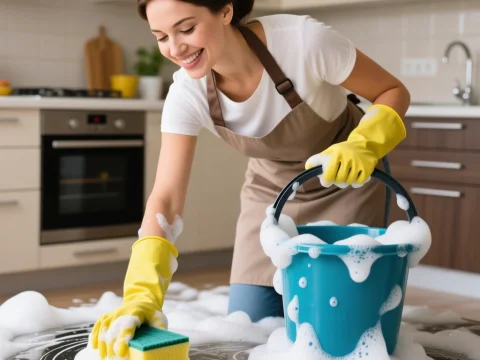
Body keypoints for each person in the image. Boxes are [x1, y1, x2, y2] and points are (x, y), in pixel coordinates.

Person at [90, 0, 410, 358]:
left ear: (225, 11)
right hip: (270, 190)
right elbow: (165, 198)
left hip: (346, 178)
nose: (175, 48)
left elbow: (392, 91)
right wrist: (141, 293)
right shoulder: (186, 93)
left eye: (186, 28)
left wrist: (362, 145)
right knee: (249, 327)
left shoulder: (303, 42)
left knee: (337, 332)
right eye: (162, 36)